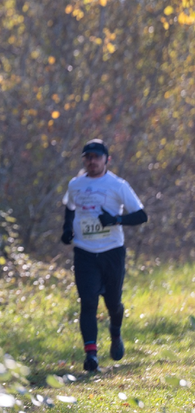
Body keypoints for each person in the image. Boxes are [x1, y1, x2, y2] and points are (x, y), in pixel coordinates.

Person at [61, 139, 147, 372]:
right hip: (85, 252)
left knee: (113, 303)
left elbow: (141, 215)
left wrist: (116, 219)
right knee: (88, 301)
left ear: (106, 160)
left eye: (96, 157)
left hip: (112, 252)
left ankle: (115, 333)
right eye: (87, 157)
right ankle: (91, 355)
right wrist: (67, 228)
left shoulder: (118, 185)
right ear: (84, 160)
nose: (92, 161)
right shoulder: (75, 184)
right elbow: (69, 207)